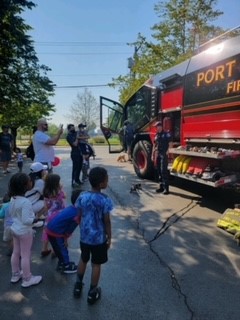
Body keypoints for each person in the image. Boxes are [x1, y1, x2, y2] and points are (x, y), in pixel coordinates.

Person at [73, 166, 113, 305]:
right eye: (107, 180)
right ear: (101, 183)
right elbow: (107, 221)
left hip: (85, 238)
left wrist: (82, 228)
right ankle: (92, 291)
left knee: (83, 259)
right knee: (96, 264)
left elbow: (78, 215)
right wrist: (109, 238)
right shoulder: (105, 200)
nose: (108, 182)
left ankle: (78, 286)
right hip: (99, 240)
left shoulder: (82, 196)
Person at [8, 172, 42, 288]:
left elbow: (13, 215)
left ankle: (15, 274)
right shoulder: (25, 202)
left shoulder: (13, 199)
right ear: (25, 186)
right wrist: (35, 220)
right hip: (24, 231)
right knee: (25, 255)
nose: (31, 182)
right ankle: (27, 278)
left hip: (15, 229)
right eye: (29, 181)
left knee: (16, 252)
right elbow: (26, 220)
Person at [46, 189, 82, 274]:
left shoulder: (71, 208)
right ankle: (66, 265)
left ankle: (62, 262)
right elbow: (70, 229)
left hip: (51, 229)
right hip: (56, 232)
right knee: (62, 248)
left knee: (58, 248)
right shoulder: (77, 214)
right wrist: (65, 239)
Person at [41, 173, 66, 257]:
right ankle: (55, 251)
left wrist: (46, 213)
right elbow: (65, 196)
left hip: (50, 215)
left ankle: (44, 248)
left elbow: (46, 206)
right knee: (57, 233)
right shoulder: (59, 192)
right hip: (60, 215)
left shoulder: (46, 193)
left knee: (47, 231)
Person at [151, 121, 172, 195]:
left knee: (163, 171)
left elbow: (170, 144)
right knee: (159, 171)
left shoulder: (166, 134)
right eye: (156, 127)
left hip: (164, 154)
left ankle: (166, 189)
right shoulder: (157, 135)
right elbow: (154, 145)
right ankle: (161, 187)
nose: (156, 128)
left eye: (157, 126)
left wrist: (167, 151)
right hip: (158, 154)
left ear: (161, 127)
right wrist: (152, 155)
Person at [25, 162, 48, 227]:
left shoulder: (28, 178)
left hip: (22, 205)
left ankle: (35, 215)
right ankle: (34, 220)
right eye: (43, 170)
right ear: (40, 172)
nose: (45, 171)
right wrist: (45, 179)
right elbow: (45, 193)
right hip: (28, 207)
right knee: (47, 202)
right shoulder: (39, 181)